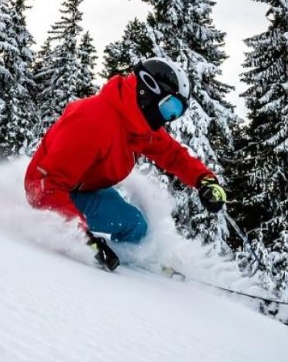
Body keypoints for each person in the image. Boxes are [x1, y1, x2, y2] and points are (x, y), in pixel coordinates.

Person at [24, 58, 228, 271]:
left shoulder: (138, 127)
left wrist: (204, 180)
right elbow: (45, 186)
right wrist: (83, 239)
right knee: (129, 228)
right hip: (52, 192)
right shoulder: (92, 120)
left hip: (86, 189)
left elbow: (173, 154)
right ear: (148, 90)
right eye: (169, 107)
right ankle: (125, 275)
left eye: (176, 113)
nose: (168, 119)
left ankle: (137, 262)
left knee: (136, 226)